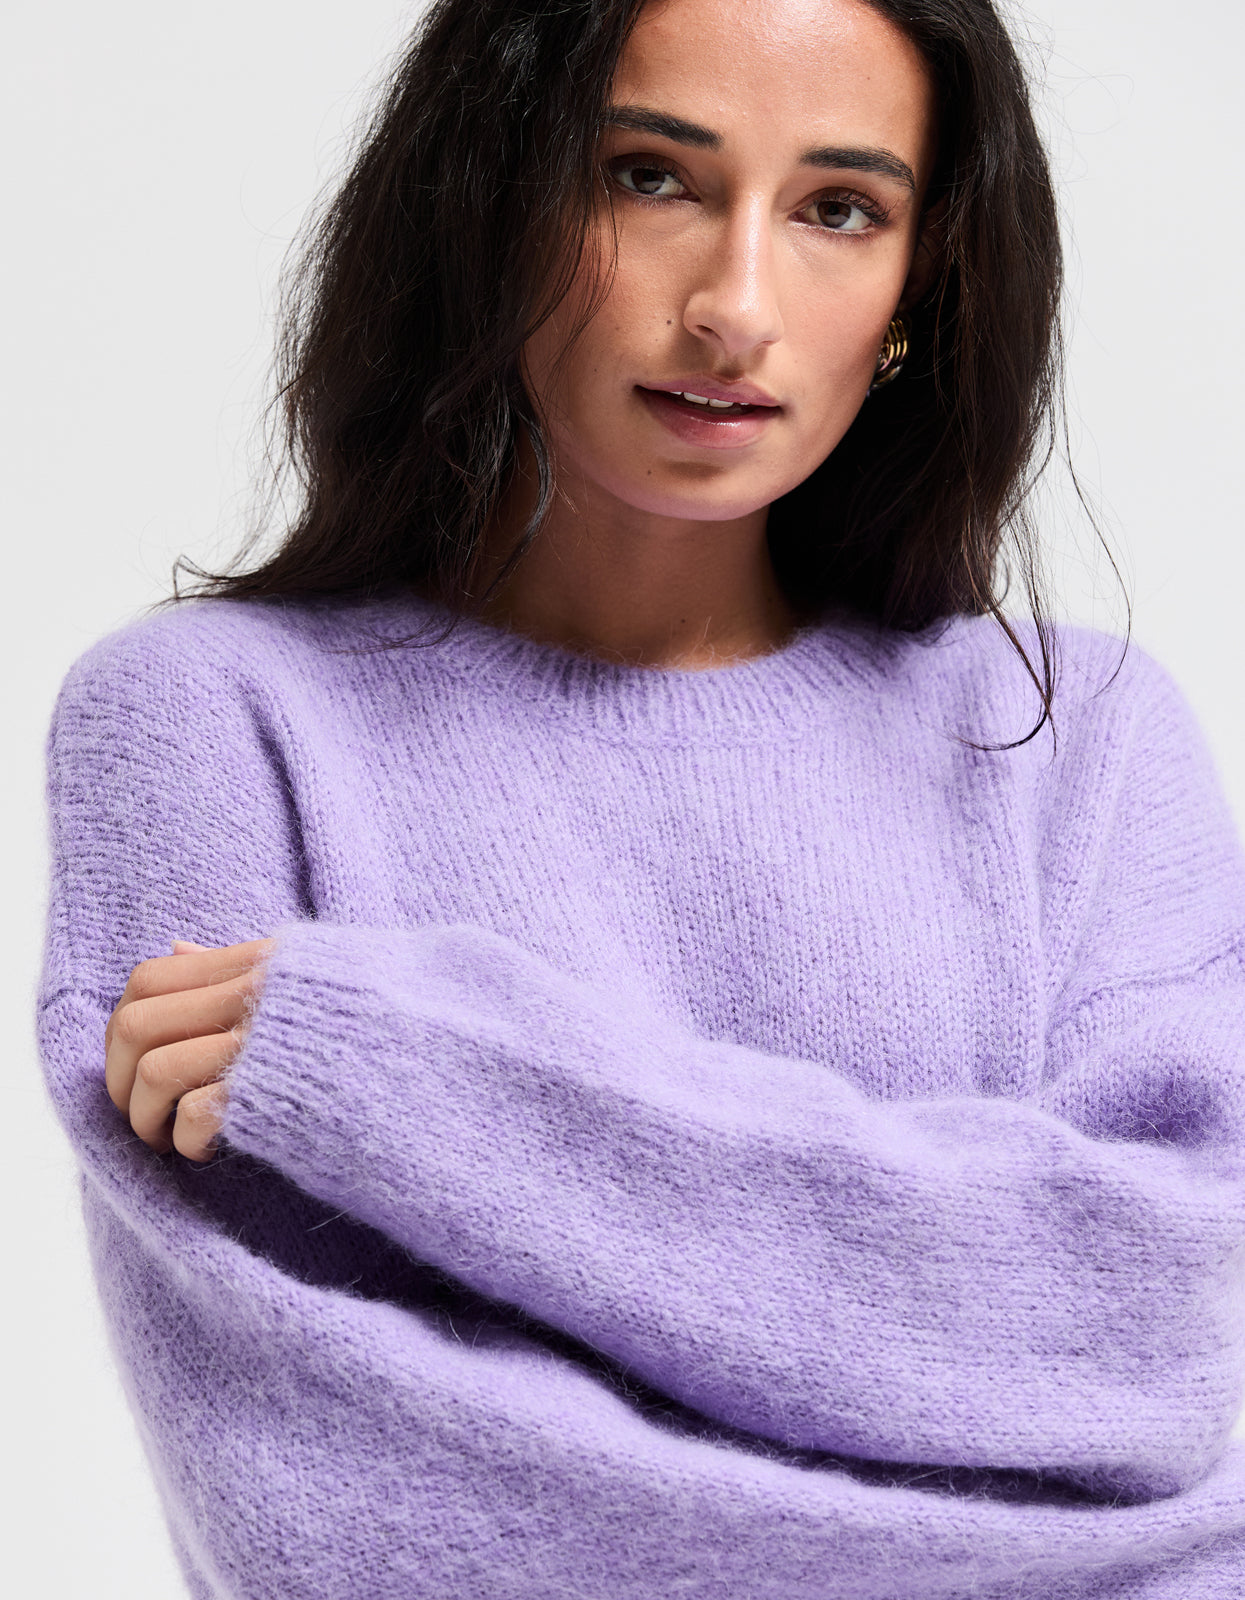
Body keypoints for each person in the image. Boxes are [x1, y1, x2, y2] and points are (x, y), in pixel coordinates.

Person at [37, 0, 1245, 1594]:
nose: (734, 307)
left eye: (839, 208)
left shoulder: (1076, 740)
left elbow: (1159, 1336)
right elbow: (339, 1525)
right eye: (648, 177)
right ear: (487, 197)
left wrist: (424, 1081)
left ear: (920, 283)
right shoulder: (215, 722)